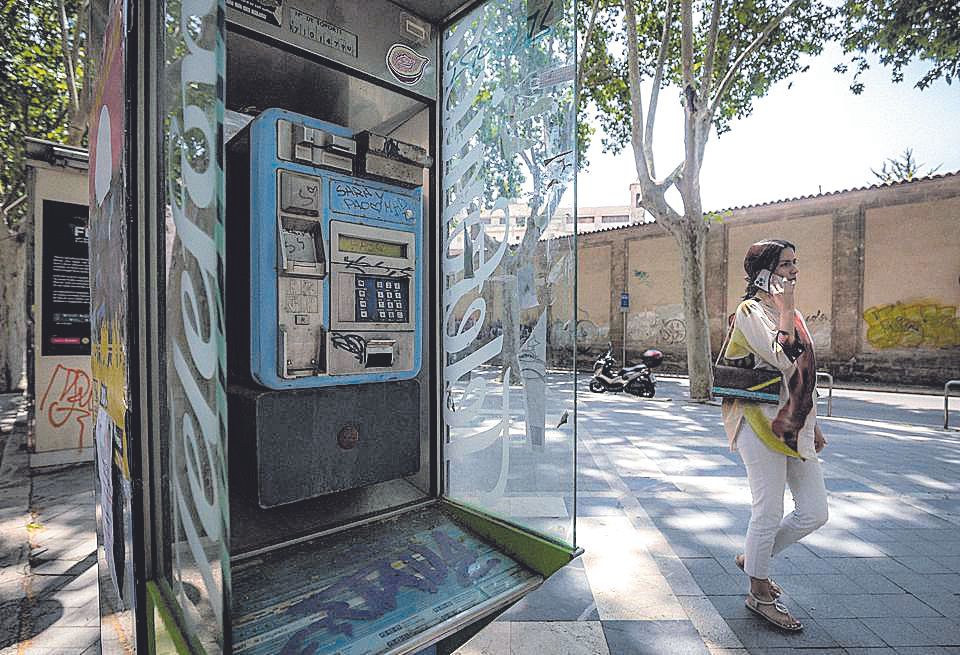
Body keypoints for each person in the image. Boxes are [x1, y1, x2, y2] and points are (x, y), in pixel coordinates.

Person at [719, 239, 829, 632]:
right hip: (759, 423)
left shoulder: (791, 313)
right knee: (768, 510)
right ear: (764, 271)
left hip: (793, 424)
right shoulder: (750, 311)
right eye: (786, 265)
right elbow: (782, 358)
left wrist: (812, 422)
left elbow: (804, 371)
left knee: (815, 511)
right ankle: (758, 590)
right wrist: (784, 309)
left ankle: (754, 557)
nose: (794, 271)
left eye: (795, 264)